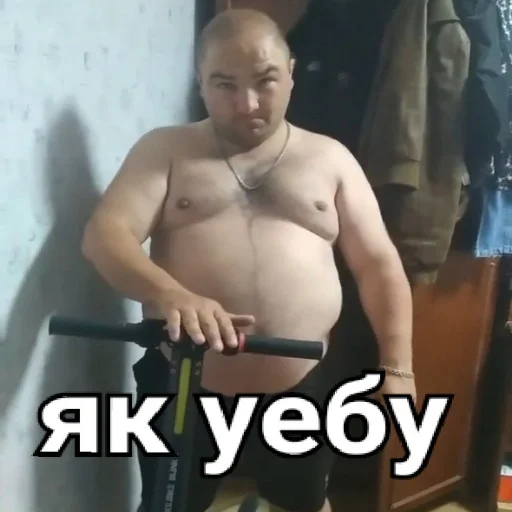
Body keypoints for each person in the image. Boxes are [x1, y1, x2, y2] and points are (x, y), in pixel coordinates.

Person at [82, 8, 415, 512]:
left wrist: (398, 367)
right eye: (225, 85)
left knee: (304, 504)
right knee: (169, 506)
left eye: (265, 80)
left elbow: (378, 264)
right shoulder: (165, 150)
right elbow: (106, 235)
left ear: (292, 73)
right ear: (200, 82)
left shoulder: (331, 159)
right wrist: (169, 293)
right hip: (183, 381)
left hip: (301, 388)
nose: (248, 103)